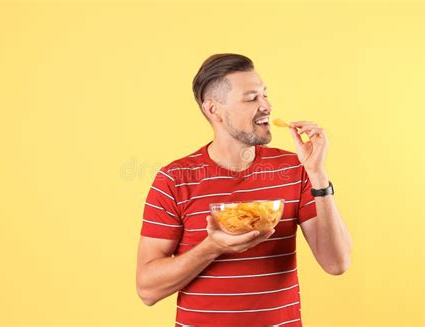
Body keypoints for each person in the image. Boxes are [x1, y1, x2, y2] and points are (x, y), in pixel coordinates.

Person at [136, 53, 353, 326]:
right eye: (252, 98)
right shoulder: (175, 179)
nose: (267, 106)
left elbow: (337, 263)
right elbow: (147, 290)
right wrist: (211, 248)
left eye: (265, 95)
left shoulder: (295, 169)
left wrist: (318, 174)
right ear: (214, 110)